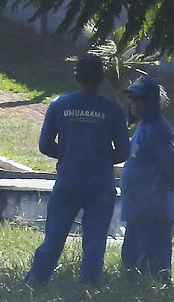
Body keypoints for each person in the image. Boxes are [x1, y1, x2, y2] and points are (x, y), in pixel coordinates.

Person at [24, 53, 131, 286]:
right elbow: (124, 151)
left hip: (68, 182)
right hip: (100, 185)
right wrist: (100, 158)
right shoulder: (112, 110)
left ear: (76, 78)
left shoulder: (59, 106)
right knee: (94, 241)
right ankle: (88, 287)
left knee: (53, 238)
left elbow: (45, 145)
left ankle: (36, 281)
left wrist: (69, 153)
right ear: (101, 80)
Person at [119, 75, 174, 280]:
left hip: (154, 215)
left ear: (152, 102)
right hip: (138, 213)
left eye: (139, 100)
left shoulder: (159, 130)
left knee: (156, 274)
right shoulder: (142, 127)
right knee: (131, 271)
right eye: (131, 99)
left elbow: (172, 170)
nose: (133, 104)